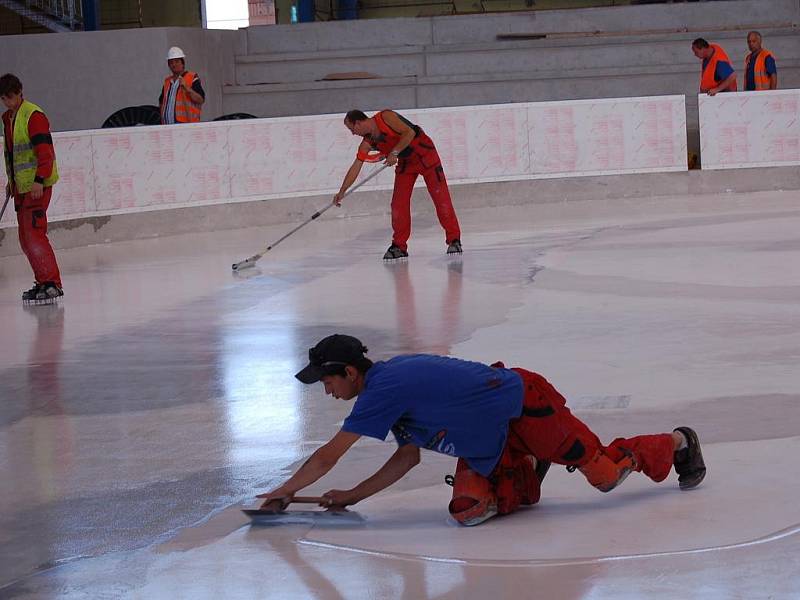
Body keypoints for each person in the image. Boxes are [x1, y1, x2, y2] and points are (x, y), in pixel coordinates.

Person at [257, 334, 707, 526]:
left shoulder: (384, 387)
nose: (327, 391)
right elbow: (408, 456)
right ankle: (529, 463)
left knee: (606, 477)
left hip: (527, 405)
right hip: (490, 435)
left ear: (352, 373)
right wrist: (351, 497)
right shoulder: (387, 390)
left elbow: (327, 456)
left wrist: (284, 490)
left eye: (328, 381)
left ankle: (677, 443)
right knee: (469, 511)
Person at [335, 110, 462, 260]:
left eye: (352, 129)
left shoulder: (386, 117)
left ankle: (454, 240)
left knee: (441, 199)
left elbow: (409, 133)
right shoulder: (367, 143)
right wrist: (342, 191)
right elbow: (356, 166)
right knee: (398, 204)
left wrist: (394, 152)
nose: (353, 133)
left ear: (358, 122)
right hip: (406, 164)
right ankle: (399, 246)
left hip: (426, 156)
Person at [1, 73, 64, 304]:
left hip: (37, 186)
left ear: (19, 93)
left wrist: (39, 179)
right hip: (22, 188)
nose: (8, 102)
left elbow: (44, 151)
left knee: (34, 234)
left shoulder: (33, 115)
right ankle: (42, 281)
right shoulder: (8, 118)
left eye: (11, 97)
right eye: (4, 99)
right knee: (26, 237)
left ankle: (52, 283)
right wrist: (12, 181)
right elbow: (12, 155)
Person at [158, 46, 205, 124]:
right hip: (167, 125)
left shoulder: (192, 77)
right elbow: (161, 102)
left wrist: (187, 88)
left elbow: (201, 100)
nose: (173, 64)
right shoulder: (167, 82)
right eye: (171, 62)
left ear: (182, 63)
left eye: (176, 61)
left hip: (185, 125)